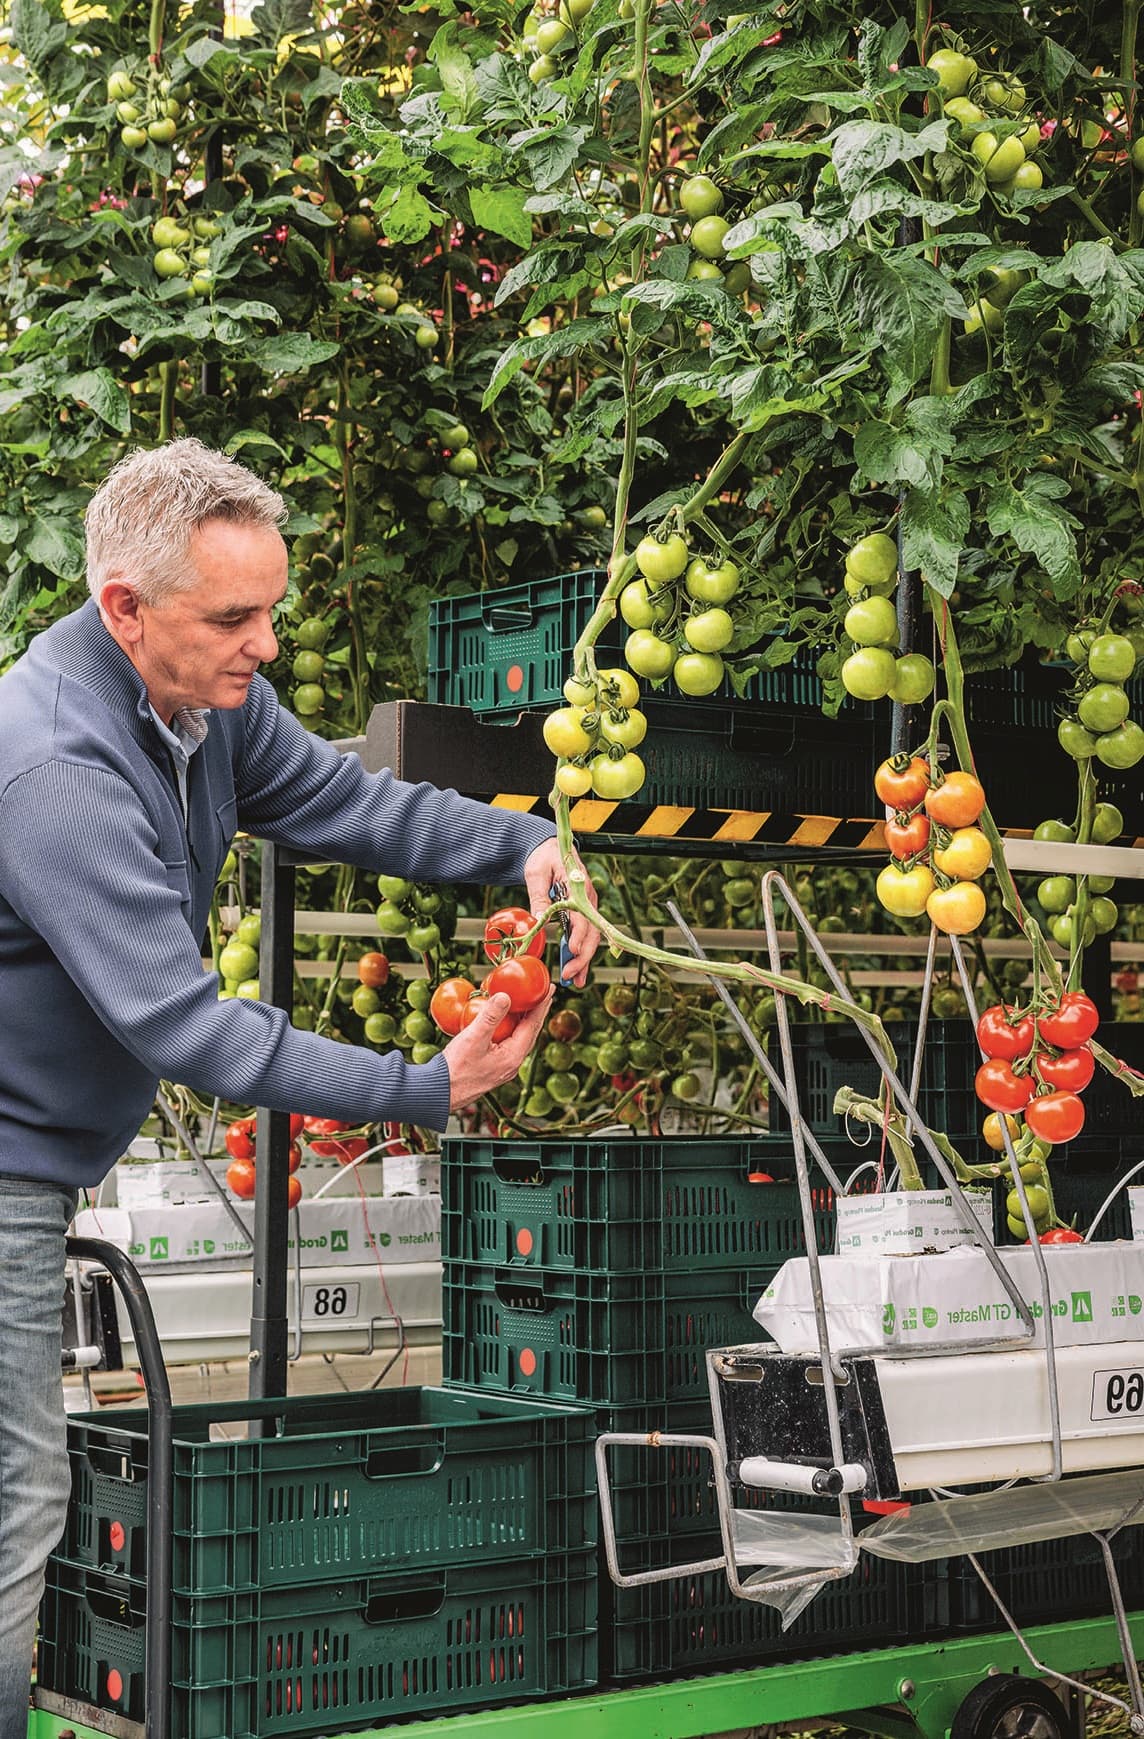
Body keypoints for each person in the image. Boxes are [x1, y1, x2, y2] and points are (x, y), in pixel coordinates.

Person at [0, 437, 599, 1738]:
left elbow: (347, 804)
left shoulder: (201, 703)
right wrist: (420, 1086)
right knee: (13, 1500)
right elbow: (188, 1028)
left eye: (271, 609)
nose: (264, 644)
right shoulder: (53, 764)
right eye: (234, 617)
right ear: (124, 609)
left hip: (34, 1159)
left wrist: (527, 846)